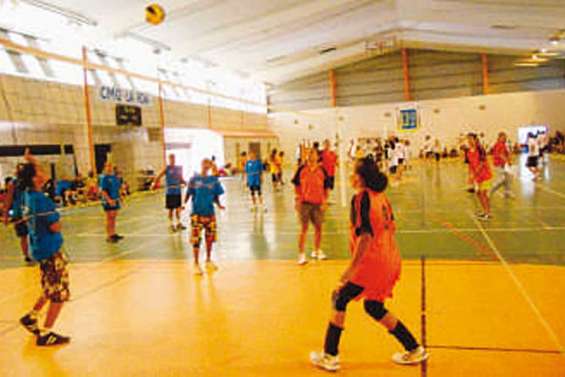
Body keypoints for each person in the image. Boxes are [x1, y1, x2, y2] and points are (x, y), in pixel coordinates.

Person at [309, 157, 428, 372]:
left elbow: (365, 237)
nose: (349, 176)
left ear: (360, 178)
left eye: (353, 172)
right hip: (390, 259)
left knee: (339, 297)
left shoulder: (361, 199)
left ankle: (330, 355)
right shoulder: (381, 197)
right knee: (373, 306)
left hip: (372, 263)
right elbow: (390, 228)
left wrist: (350, 271)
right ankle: (414, 348)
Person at [18, 150, 71, 346]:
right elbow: (55, 226)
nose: (43, 172)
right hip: (50, 249)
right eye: (39, 170)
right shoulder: (41, 200)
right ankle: (46, 333)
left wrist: (31, 162)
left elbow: (40, 177)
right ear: (34, 178)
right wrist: (59, 218)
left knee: (49, 286)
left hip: (39, 247)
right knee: (59, 293)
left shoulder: (28, 194)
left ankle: (31, 317)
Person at [185, 159, 225, 275]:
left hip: (210, 213)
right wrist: (183, 204)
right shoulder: (194, 179)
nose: (206, 166)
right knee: (196, 240)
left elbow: (216, 195)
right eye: (204, 163)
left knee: (210, 238)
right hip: (197, 213)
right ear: (201, 164)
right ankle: (196, 264)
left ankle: (208, 260)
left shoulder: (213, 180)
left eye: (209, 164)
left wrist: (219, 205)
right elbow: (189, 192)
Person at [292, 148, 329, 264]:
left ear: (317, 157)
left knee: (319, 228)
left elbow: (326, 187)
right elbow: (296, 185)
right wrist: (298, 199)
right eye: (309, 154)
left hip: (318, 204)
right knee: (304, 228)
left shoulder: (322, 170)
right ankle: (301, 254)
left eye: (313, 154)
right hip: (305, 203)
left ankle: (317, 250)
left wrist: (324, 201)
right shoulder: (301, 169)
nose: (311, 156)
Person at [2, 169, 32, 263]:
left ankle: (35, 253)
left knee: (35, 234)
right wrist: (5, 216)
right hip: (19, 214)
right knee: (23, 236)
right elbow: (8, 200)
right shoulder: (13, 184)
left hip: (31, 213)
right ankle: (26, 255)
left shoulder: (31, 183)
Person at [152, 154, 187, 232]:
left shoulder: (178, 168)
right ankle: (171, 225)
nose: (172, 160)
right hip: (170, 192)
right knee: (171, 209)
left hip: (177, 191)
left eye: (173, 158)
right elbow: (158, 176)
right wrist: (154, 184)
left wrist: (185, 182)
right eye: (171, 158)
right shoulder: (167, 169)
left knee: (178, 208)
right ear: (169, 159)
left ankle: (178, 223)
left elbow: (181, 178)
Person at [467, 133, 492, 220]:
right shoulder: (469, 151)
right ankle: (485, 211)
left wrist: (474, 174)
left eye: (471, 139)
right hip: (476, 177)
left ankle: (488, 213)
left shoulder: (480, 149)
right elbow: (470, 164)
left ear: (475, 139)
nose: (469, 141)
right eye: (468, 139)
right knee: (478, 193)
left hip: (485, 175)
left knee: (484, 193)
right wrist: (470, 175)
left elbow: (482, 163)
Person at [99, 162, 124, 243]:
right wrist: (109, 200)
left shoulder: (114, 177)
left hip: (115, 199)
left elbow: (118, 188)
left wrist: (120, 197)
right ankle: (109, 235)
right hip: (108, 200)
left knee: (113, 217)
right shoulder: (104, 177)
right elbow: (103, 190)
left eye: (111, 166)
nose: (110, 168)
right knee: (109, 217)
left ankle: (113, 233)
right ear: (105, 167)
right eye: (108, 166)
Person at [490, 132, 514, 198]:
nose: (505, 138)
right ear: (500, 137)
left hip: (504, 164)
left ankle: (507, 192)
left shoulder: (503, 144)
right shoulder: (498, 144)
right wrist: (507, 161)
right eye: (503, 137)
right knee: (502, 179)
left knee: (508, 178)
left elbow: (506, 153)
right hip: (498, 164)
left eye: (505, 137)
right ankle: (491, 190)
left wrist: (509, 159)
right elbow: (500, 154)